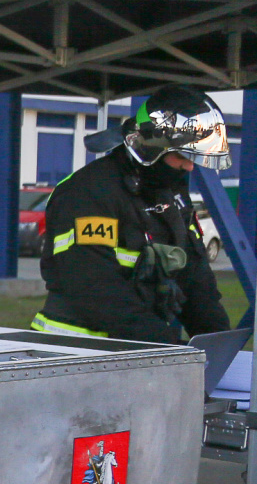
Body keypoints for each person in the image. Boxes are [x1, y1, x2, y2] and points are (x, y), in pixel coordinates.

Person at [34, 85, 231, 343]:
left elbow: (194, 275)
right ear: (153, 146)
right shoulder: (89, 190)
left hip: (139, 347)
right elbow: (91, 285)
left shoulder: (169, 192)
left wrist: (217, 341)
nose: (189, 166)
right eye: (182, 154)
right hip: (74, 350)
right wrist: (162, 345)